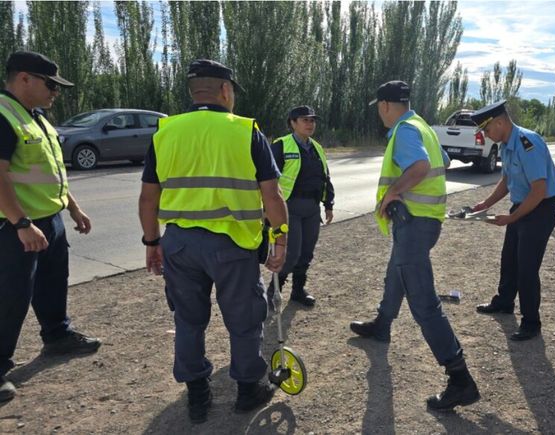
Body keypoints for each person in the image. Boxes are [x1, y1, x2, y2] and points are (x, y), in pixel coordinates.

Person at [138, 59, 289, 424]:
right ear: (225, 90)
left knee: (188, 320)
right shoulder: (245, 131)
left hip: (180, 245)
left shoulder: (166, 132)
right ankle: (247, 390)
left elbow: (148, 199)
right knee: (243, 319)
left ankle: (197, 394)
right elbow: (271, 195)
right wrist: (280, 239)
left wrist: (151, 241)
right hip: (232, 245)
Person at [349, 80, 480, 411]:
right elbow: (444, 162)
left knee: (423, 303)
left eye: (379, 107)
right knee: (396, 272)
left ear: (385, 105)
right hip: (426, 220)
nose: (380, 113)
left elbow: (420, 166)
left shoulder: (405, 130)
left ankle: (459, 377)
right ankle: (382, 324)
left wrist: (394, 191)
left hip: (415, 222)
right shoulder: (423, 127)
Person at [0, 51, 101, 404]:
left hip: (48, 219)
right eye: (50, 84)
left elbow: (49, 171)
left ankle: (57, 335)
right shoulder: (3, 115)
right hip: (15, 225)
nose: (55, 91)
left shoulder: (37, 118)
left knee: (52, 282)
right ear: (24, 78)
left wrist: (73, 207)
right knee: (11, 295)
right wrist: (21, 223)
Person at [470, 100, 555, 341]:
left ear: (500, 122)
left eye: (487, 130)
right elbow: (507, 181)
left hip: (541, 209)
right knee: (509, 258)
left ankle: (531, 323)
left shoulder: (527, 143)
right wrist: (486, 204)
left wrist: (511, 217)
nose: (487, 135)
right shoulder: (505, 143)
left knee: (527, 269)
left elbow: (539, 190)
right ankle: (504, 302)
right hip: (523, 206)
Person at [267, 105, 334, 308]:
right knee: (291, 252)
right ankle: (273, 291)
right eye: (304, 120)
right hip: (288, 208)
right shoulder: (281, 146)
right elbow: (266, 178)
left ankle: (298, 291)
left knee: (306, 252)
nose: (310, 124)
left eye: (312, 120)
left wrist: (328, 204)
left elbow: (325, 177)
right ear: (292, 123)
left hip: (312, 208)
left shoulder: (317, 148)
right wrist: (266, 209)